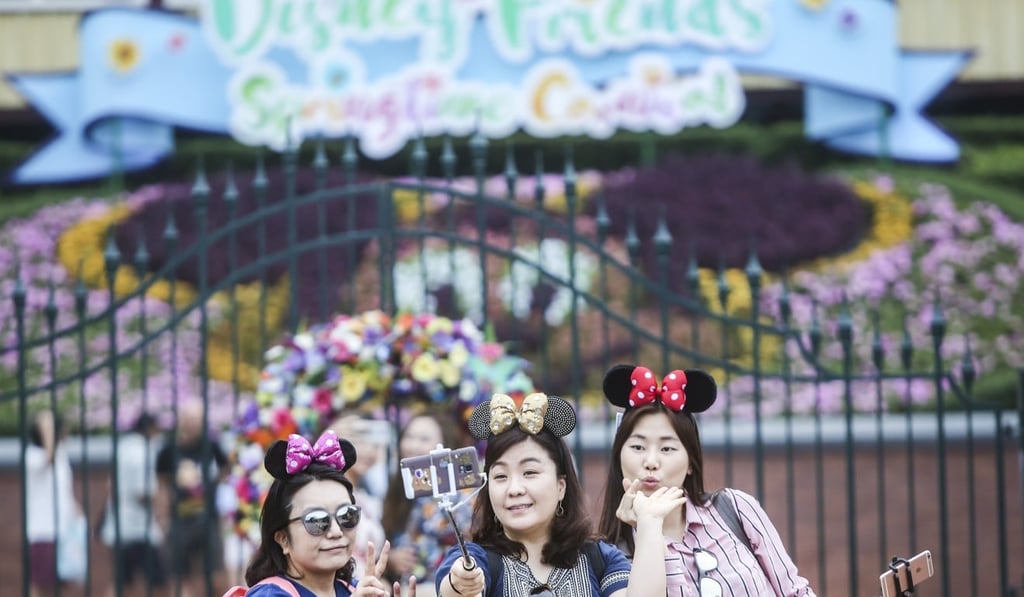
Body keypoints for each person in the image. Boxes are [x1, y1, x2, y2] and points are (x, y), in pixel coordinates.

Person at [597, 364, 817, 597]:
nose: (651, 461)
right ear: (618, 455)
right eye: (638, 447)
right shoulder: (613, 559)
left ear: (691, 462)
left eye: (667, 448)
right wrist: (649, 530)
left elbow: (795, 591)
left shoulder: (735, 508)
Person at [435, 392, 682, 597]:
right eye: (500, 476)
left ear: (561, 486)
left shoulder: (599, 558)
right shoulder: (477, 558)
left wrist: (649, 525)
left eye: (530, 472)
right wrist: (462, 582)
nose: (514, 488)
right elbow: (453, 587)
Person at [243, 428, 415, 596]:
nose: (336, 531)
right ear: (283, 539)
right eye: (317, 521)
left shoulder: (355, 589)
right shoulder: (268, 594)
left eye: (347, 515)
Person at [381, 409, 473, 586]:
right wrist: (391, 558)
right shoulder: (399, 488)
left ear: (444, 445)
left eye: (424, 439)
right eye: (409, 436)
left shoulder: (458, 494)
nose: (413, 445)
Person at [156, 399, 229, 596]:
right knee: (179, 577)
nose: (194, 423)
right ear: (182, 420)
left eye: (198, 419)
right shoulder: (168, 451)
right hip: (180, 520)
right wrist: (162, 517)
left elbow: (225, 472)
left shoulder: (212, 447)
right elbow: (162, 486)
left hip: (209, 519)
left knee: (216, 577)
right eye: (190, 418)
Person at [100, 412, 169, 597]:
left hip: (120, 524)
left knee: (122, 581)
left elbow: (110, 485)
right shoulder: (141, 452)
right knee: (158, 582)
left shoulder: (124, 448)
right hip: (138, 528)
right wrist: (161, 510)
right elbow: (143, 493)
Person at [25, 410, 82, 597]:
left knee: (64, 584)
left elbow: (65, 491)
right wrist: (47, 428)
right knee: (41, 584)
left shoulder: (61, 455)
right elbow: (47, 460)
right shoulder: (32, 455)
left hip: (65, 531)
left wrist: (77, 517)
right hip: (43, 531)